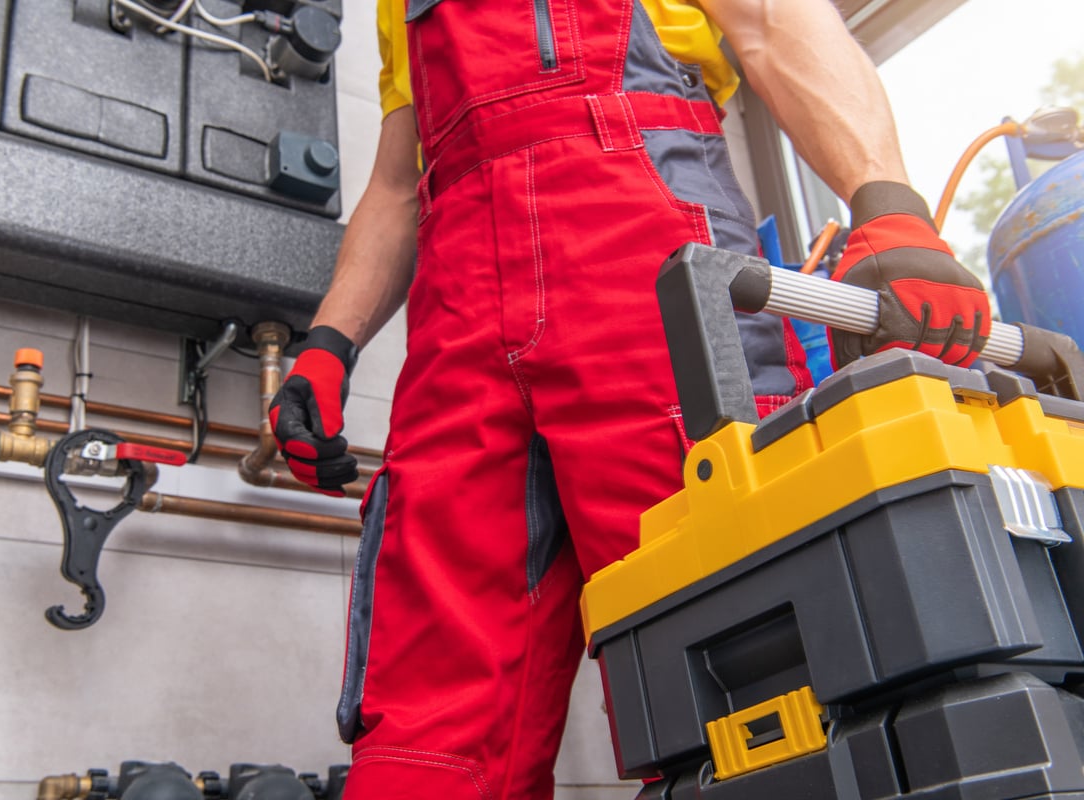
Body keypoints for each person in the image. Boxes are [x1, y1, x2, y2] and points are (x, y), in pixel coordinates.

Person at [269, 0, 991, 796]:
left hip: (641, 246)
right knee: (427, 715)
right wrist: (329, 344)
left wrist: (887, 207)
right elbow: (398, 182)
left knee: (740, 653)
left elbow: (774, 23)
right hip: (459, 302)